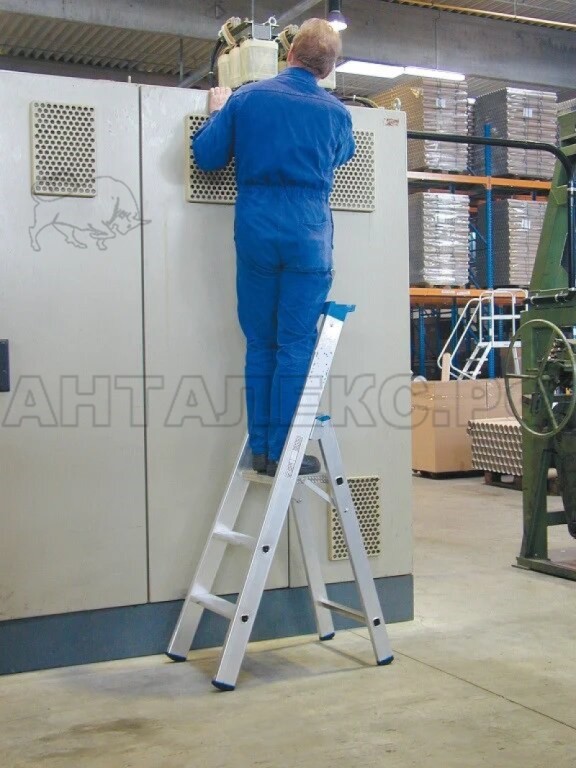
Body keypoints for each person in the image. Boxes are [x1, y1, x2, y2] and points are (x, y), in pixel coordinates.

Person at [193, 18, 355, 477]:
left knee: (260, 342)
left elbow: (206, 156)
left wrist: (216, 111)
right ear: (327, 70)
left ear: (290, 53)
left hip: (258, 233)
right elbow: (343, 155)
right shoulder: (337, 113)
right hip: (309, 238)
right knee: (295, 344)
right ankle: (285, 452)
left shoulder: (246, 99)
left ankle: (263, 449)